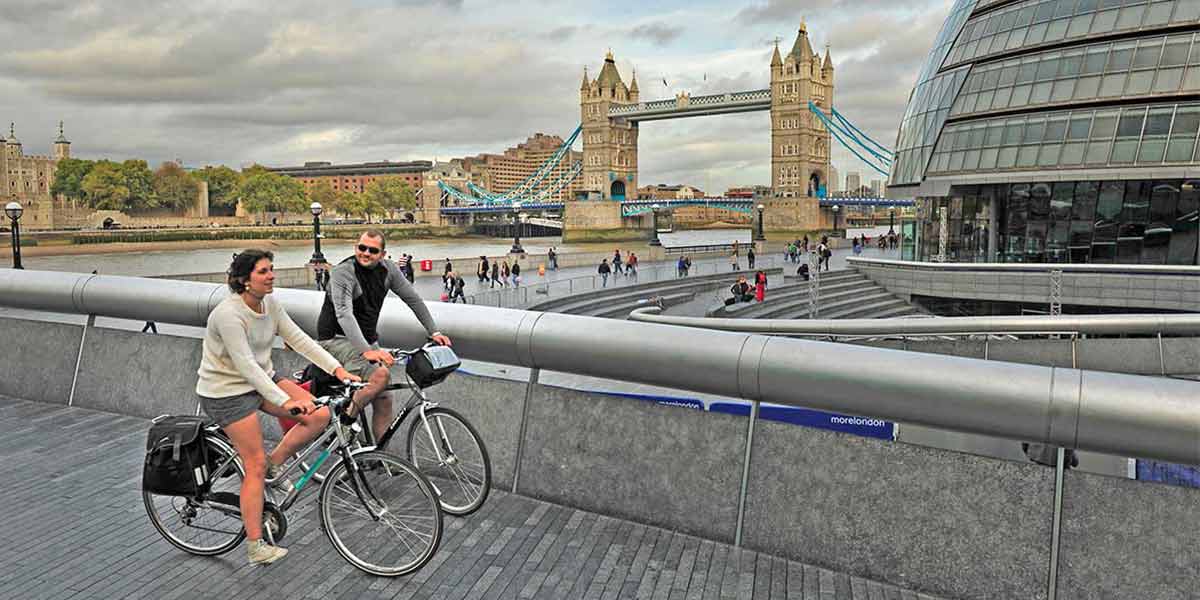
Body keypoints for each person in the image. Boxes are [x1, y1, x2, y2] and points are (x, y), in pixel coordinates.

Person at [197, 249, 361, 566]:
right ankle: (255, 545)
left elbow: (299, 339)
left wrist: (338, 370)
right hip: (226, 392)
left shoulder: (270, 304)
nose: (272, 275)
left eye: (272, 269)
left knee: (320, 415)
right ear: (244, 280)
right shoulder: (228, 315)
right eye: (263, 271)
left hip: (262, 379)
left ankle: (277, 462)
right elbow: (245, 366)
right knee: (254, 464)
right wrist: (285, 401)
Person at [317, 231, 452, 444]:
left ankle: (381, 458)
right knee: (380, 377)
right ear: (355, 247)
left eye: (373, 250)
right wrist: (367, 350)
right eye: (362, 248)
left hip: (367, 340)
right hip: (336, 339)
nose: (366, 253)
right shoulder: (343, 272)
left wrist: (433, 331)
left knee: (384, 400)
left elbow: (413, 299)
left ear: (383, 254)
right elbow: (344, 313)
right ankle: (344, 424)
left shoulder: (389, 270)